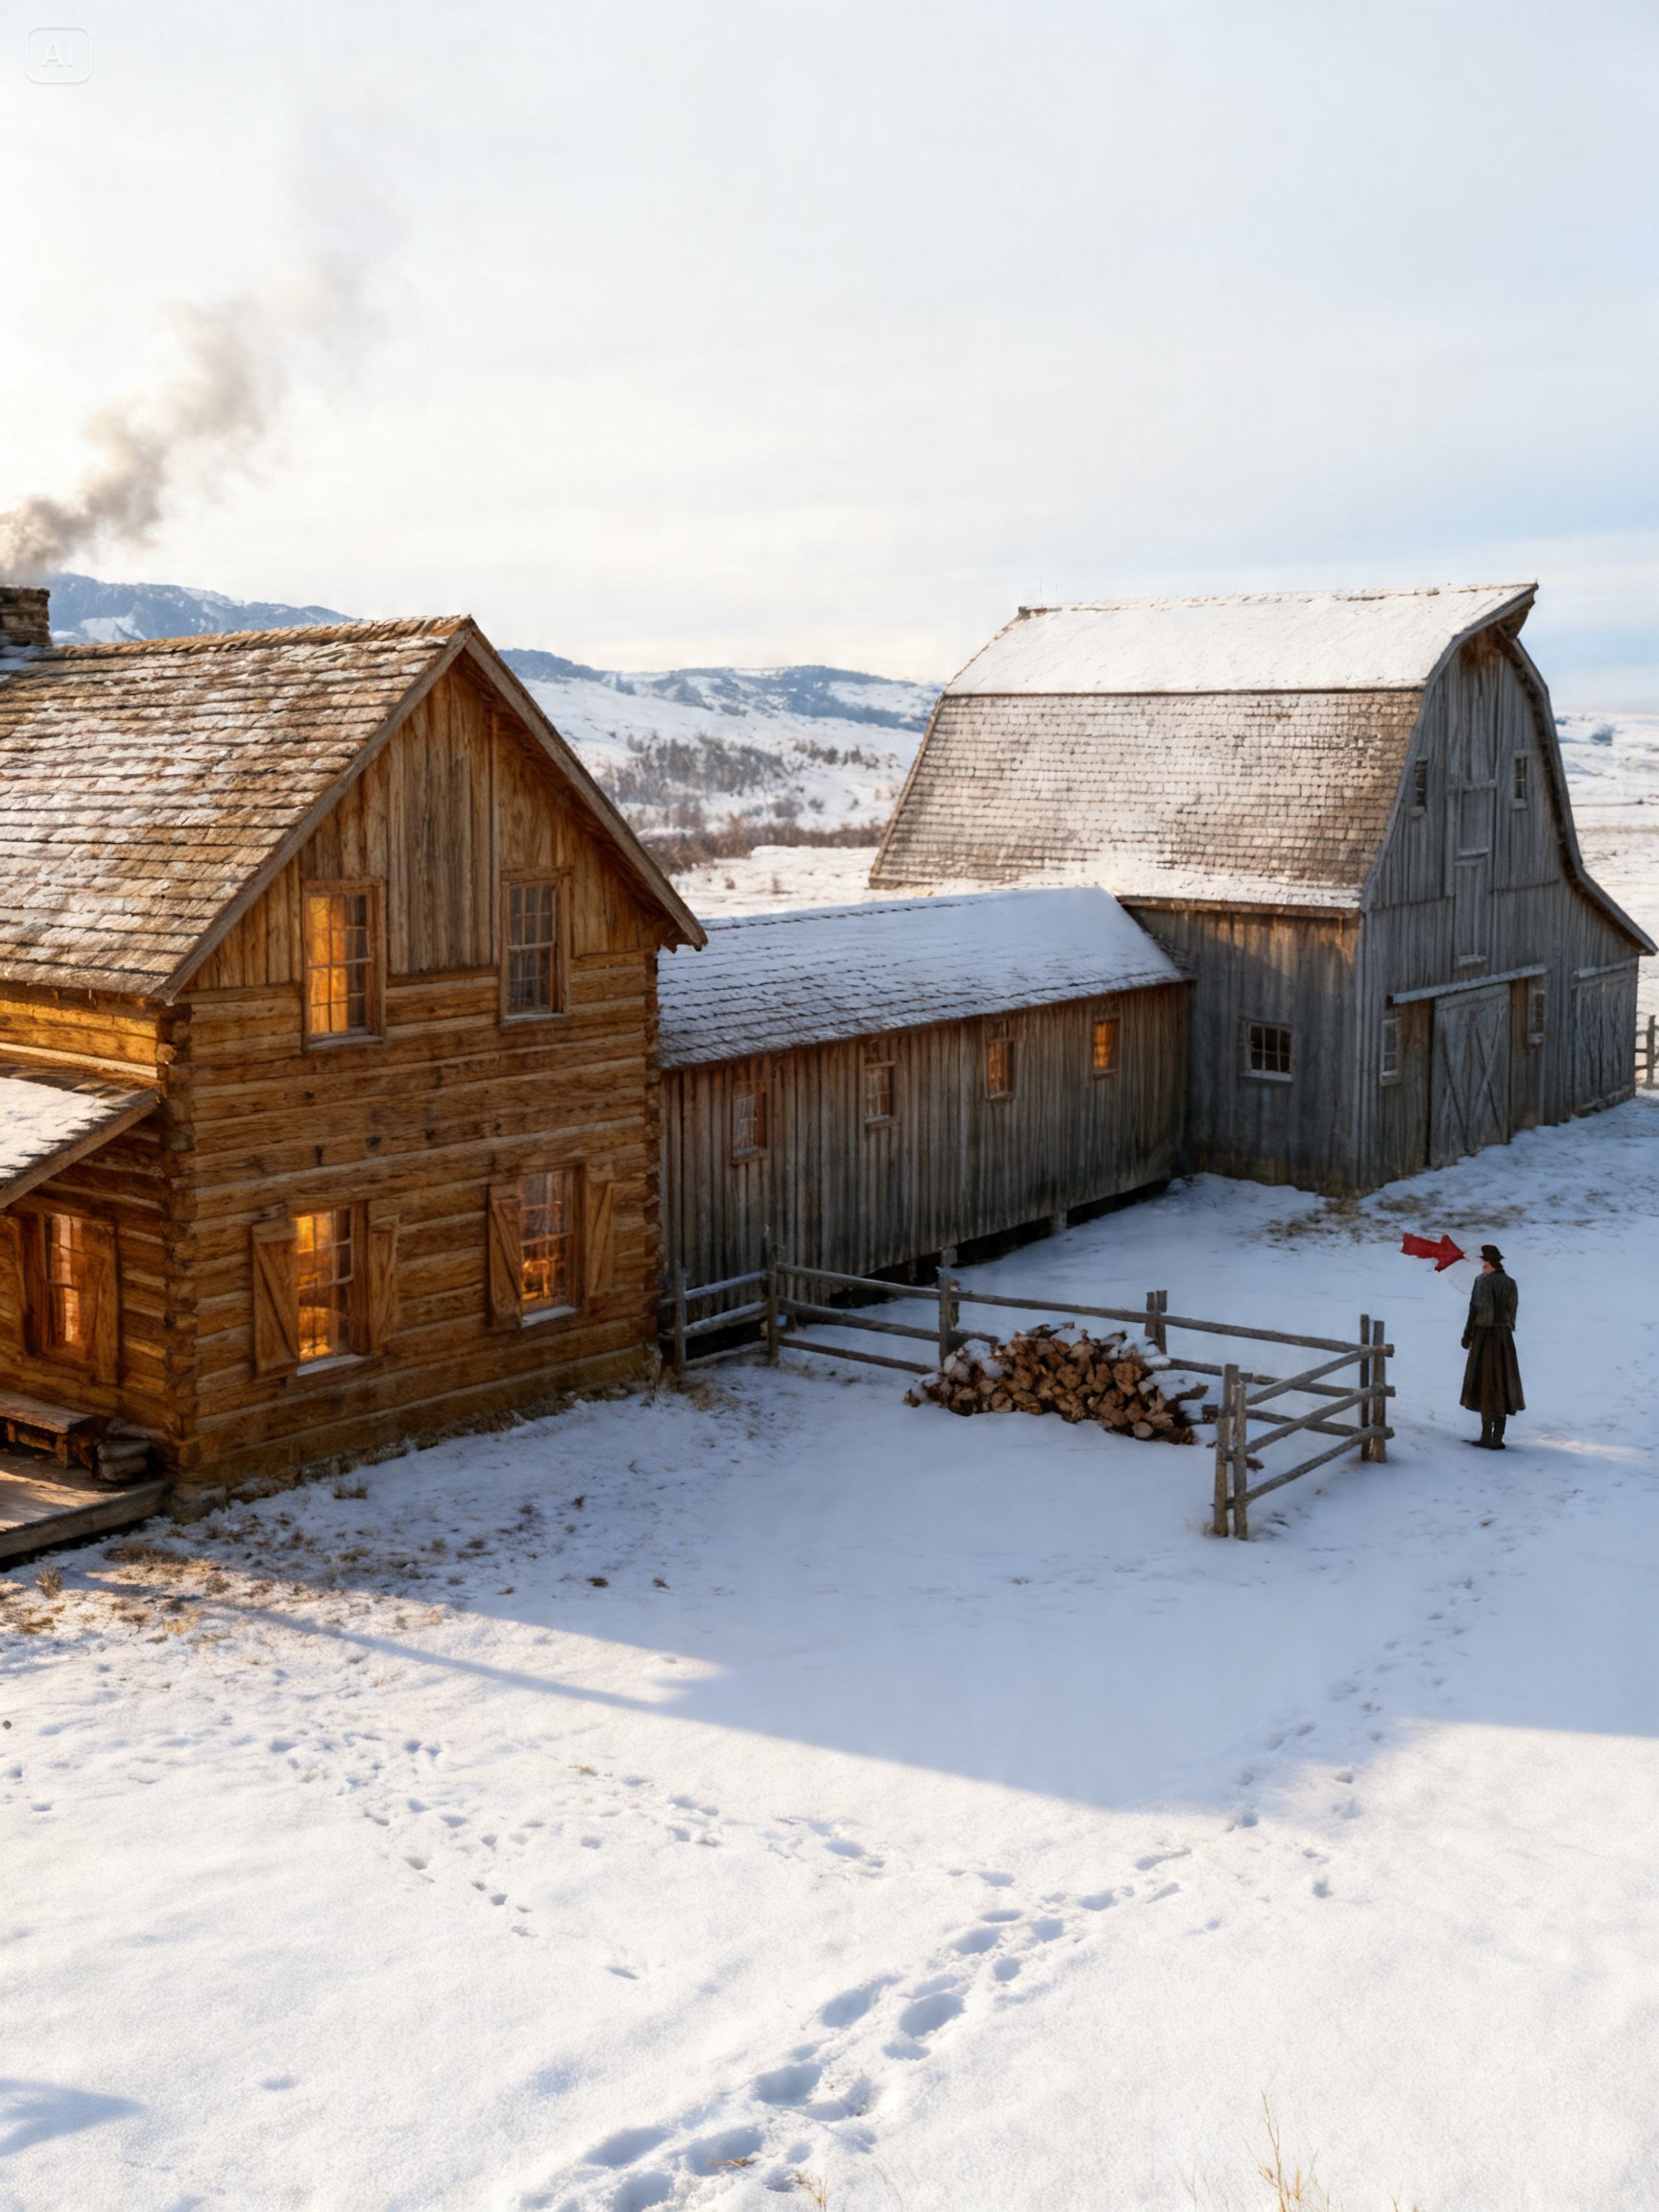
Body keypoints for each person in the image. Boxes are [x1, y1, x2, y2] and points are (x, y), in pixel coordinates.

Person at [1460, 1243, 1523, 1449]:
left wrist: (1468, 1334)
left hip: (1484, 1339)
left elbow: (1475, 1311)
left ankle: (1488, 1436)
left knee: (1485, 1383)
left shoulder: (1482, 1282)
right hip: (1504, 1339)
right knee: (1502, 1383)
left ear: (1489, 1264)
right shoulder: (1511, 1283)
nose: (1482, 1266)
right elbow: (1512, 1312)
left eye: (1484, 1262)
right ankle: (1496, 1438)